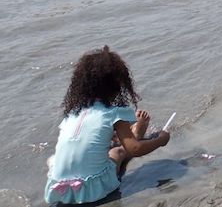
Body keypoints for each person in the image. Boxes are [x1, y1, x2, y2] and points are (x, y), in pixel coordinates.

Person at [44, 46, 171, 205]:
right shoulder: (114, 113)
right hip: (93, 189)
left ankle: (129, 135)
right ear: (118, 85)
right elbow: (136, 149)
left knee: (65, 156)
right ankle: (134, 135)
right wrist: (161, 140)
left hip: (58, 189)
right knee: (117, 152)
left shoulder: (73, 113)